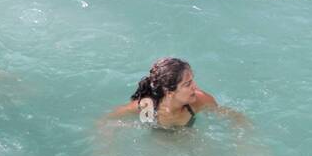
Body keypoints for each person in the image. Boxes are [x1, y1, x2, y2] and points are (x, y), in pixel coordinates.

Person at [100, 56, 249, 130]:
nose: (195, 87)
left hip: (188, 135)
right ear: (169, 92)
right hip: (159, 138)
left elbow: (235, 117)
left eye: (193, 80)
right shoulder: (148, 107)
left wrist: (246, 143)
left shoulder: (200, 100)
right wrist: (108, 151)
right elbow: (106, 120)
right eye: (187, 84)